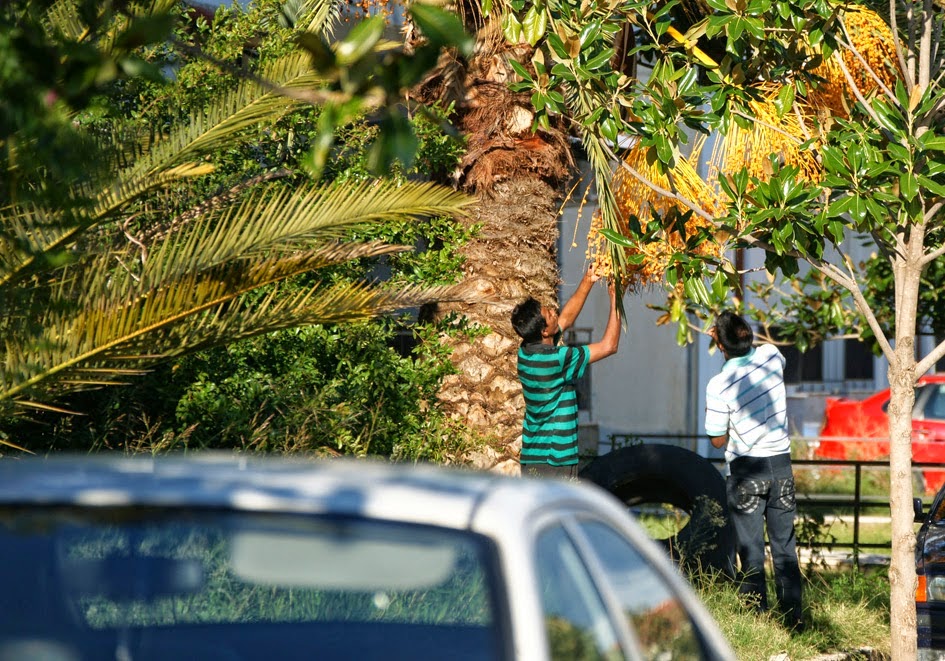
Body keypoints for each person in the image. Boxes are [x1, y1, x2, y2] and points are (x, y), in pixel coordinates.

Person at [705, 310, 804, 631]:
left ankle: (756, 621)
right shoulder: (772, 356)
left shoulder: (719, 384)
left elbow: (717, 440)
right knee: (784, 547)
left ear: (719, 344)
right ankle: (793, 619)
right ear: (748, 332)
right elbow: (754, 347)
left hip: (746, 470)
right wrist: (727, 338)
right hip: (781, 465)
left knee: (750, 550)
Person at [511, 269, 621, 479]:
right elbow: (609, 346)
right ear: (544, 332)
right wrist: (616, 299)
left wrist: (588, 279)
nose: (554, 311)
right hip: (556, 460)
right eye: (549, 314)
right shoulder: (557, 359)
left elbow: (566, 319)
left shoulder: (526, 351)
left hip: (533, 457)